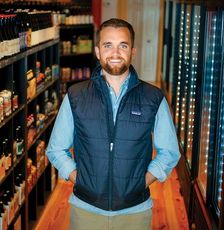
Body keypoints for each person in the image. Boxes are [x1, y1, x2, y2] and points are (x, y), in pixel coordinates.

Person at [46, 18, 180, 230]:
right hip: (86, 210)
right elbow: (56, 149)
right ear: (98, 51)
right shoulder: (76, 95)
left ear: (132, 51)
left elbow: (170, 152)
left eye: (123, 45)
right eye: (108, 45)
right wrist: (80, 180)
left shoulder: (153, 98)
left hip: (135, 212)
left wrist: (139, 184)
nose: (115, 53)